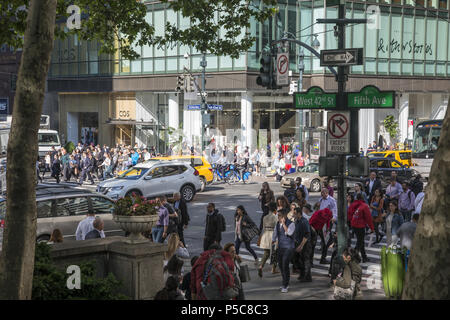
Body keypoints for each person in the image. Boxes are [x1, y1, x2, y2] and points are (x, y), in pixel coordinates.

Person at [272, 210, 296, 293]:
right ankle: (285, 282)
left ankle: (285, 285)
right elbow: (275, 233)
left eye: (279, 216)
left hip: (289, 247)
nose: (278, 217)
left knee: (285, 265)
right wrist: (273, 240)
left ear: (284, 216)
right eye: (278, 216)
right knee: (281, 265)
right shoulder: (278, 224)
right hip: (281, 247)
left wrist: (284, 224)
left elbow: (289, 233)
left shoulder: (291, 224)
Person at [349, 193, 374, 263]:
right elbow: (369, 218)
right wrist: (372, 228)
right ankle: (352, 257)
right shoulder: (364, 206)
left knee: (361, 242)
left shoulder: (354, 204)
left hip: (354, 224)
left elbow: (350, 213)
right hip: (360, 226)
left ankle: (364, 257)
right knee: (359, 243)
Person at [257, 202, 278, 277]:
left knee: (266, 253)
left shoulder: (265, 217)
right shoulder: (275, 217)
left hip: (265, 234)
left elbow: (263, 227)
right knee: (274, 252)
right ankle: (273, 269)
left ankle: (261, 266)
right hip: (272, 234)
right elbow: (277, 227)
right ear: (275, 209)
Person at [293, 207, 312, 282]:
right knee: (298, 260)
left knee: (305, 260)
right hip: (298, 243)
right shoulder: (297, 221)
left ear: (299, 213)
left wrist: (301, 245)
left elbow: (306, 235)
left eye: (295, 213)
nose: (293, 215)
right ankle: (302, 274)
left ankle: (307, 277)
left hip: (305, 244)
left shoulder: (304, 222)